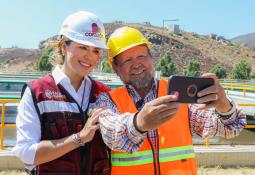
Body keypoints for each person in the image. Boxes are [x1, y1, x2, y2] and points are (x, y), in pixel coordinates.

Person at [89, 26, 247, 175]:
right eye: (127, 60)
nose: (137, 64)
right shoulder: (107, 100)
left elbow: (228, 129)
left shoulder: (180, 96)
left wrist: (224, 105)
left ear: (151, 58)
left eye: (141, 56)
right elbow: (111, 135)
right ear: (115, 67)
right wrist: (139, 123)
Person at [13, 11, 111, 175]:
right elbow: (27, 154)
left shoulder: (103, 92)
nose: (90, 57)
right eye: (83, 47)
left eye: (96, 50)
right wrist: (78, 138)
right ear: (63, 46)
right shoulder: (37, 92)